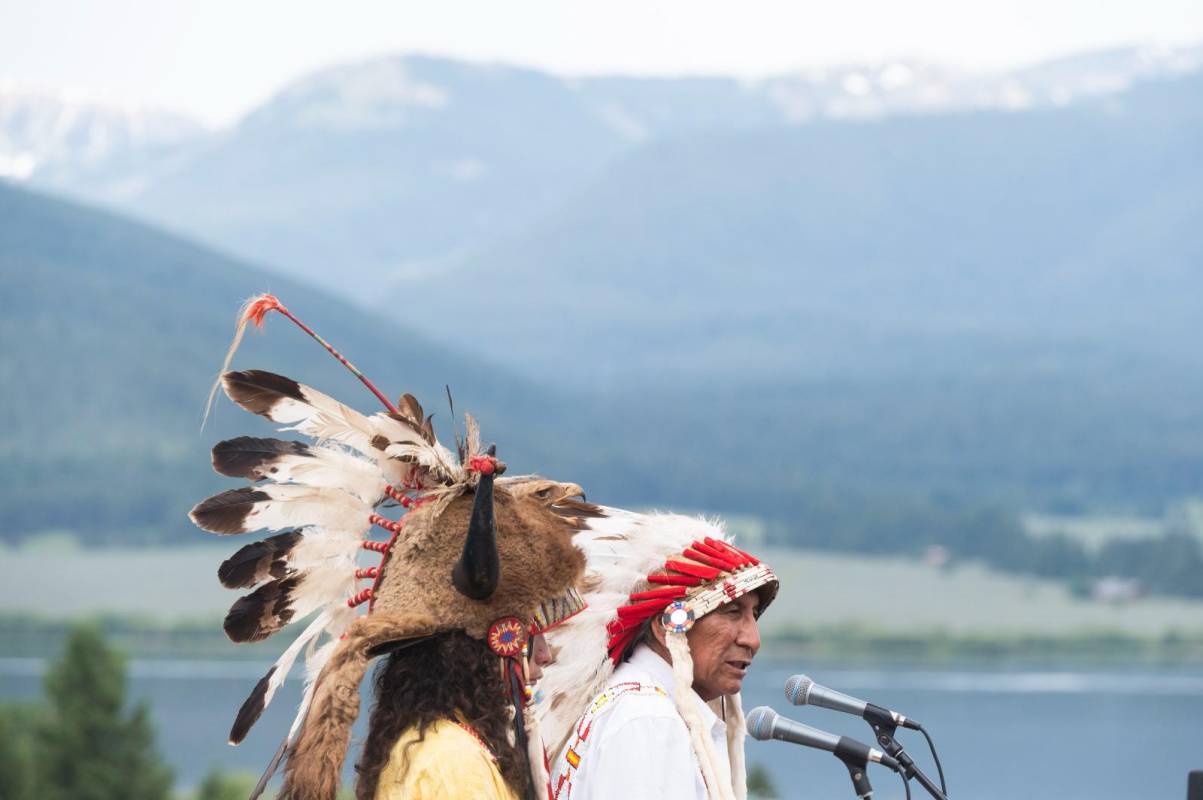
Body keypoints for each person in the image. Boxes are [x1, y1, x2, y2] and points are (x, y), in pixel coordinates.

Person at [188, 294, 591, 800]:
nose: (547, 656)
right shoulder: (451, 765)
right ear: (494, 641)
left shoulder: (438, 748)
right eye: (533, 635)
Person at [536, 508, 779, 800]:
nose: (752, 639)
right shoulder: (649, 719)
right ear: (667, 628)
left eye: (754, 615)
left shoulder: (643, 707)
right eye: (731, 612)